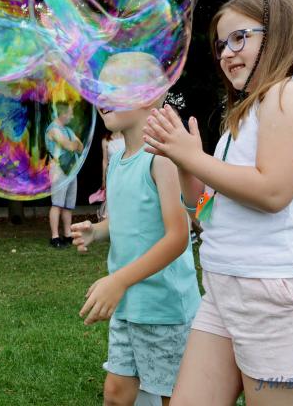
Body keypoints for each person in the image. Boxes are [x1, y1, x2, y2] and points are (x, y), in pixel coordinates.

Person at [143, 0, 293, 406]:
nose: (227, 53)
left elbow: (273, 192)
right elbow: (204, 209)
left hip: (276, 293)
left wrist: (193, 157)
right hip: (223, 287)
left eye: (240, 38)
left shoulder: (290, 93)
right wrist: (185, 164)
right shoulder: (243, 116)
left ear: (280, 34)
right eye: (221, 44)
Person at [70, 52, 202, 406]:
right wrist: (98, 231)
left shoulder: (162, 158)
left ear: (148, 97)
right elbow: (130, 218)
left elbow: (178, 237)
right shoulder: (117, 161)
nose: (101, 96)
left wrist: (119, 281)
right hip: (128, 303)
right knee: (116, 393)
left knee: (172, 395)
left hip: (163, 307)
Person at [45, 103, 83, 247]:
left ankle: (67, 235)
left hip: (71, 169)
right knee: (57, 204)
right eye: (70, 113)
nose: (72, 116)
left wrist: (73, 144)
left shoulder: (67, 130)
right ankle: (55, 237)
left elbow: (80, 147)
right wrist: (73, 144)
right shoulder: (53, 129)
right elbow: (70, 146)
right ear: (62, 114)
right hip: (58, 170)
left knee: (68, 205)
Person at [94, 130, 125, 221]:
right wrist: (103, 179)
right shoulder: (105, 140)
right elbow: (104, 161)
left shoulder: (126, 137)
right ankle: (108, 220)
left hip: (124, 171)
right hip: (112, 172)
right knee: (111, 198)